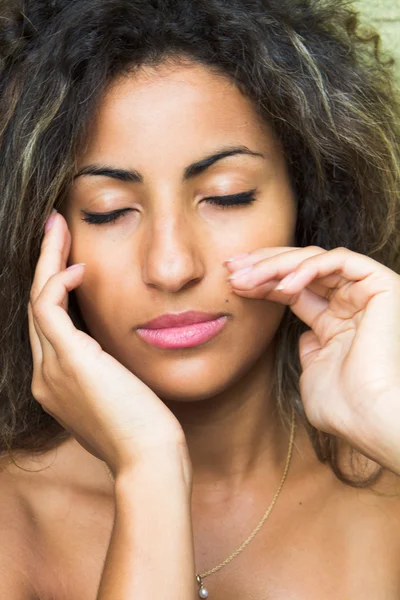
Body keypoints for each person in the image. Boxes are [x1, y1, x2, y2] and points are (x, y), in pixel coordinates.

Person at [0, 0, 399, 597]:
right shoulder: (12, 517)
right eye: (108, 211)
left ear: (309, 204)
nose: (172, 266)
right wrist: (149, 470)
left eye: (228, 196)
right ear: (40, 235)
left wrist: (389, 415)